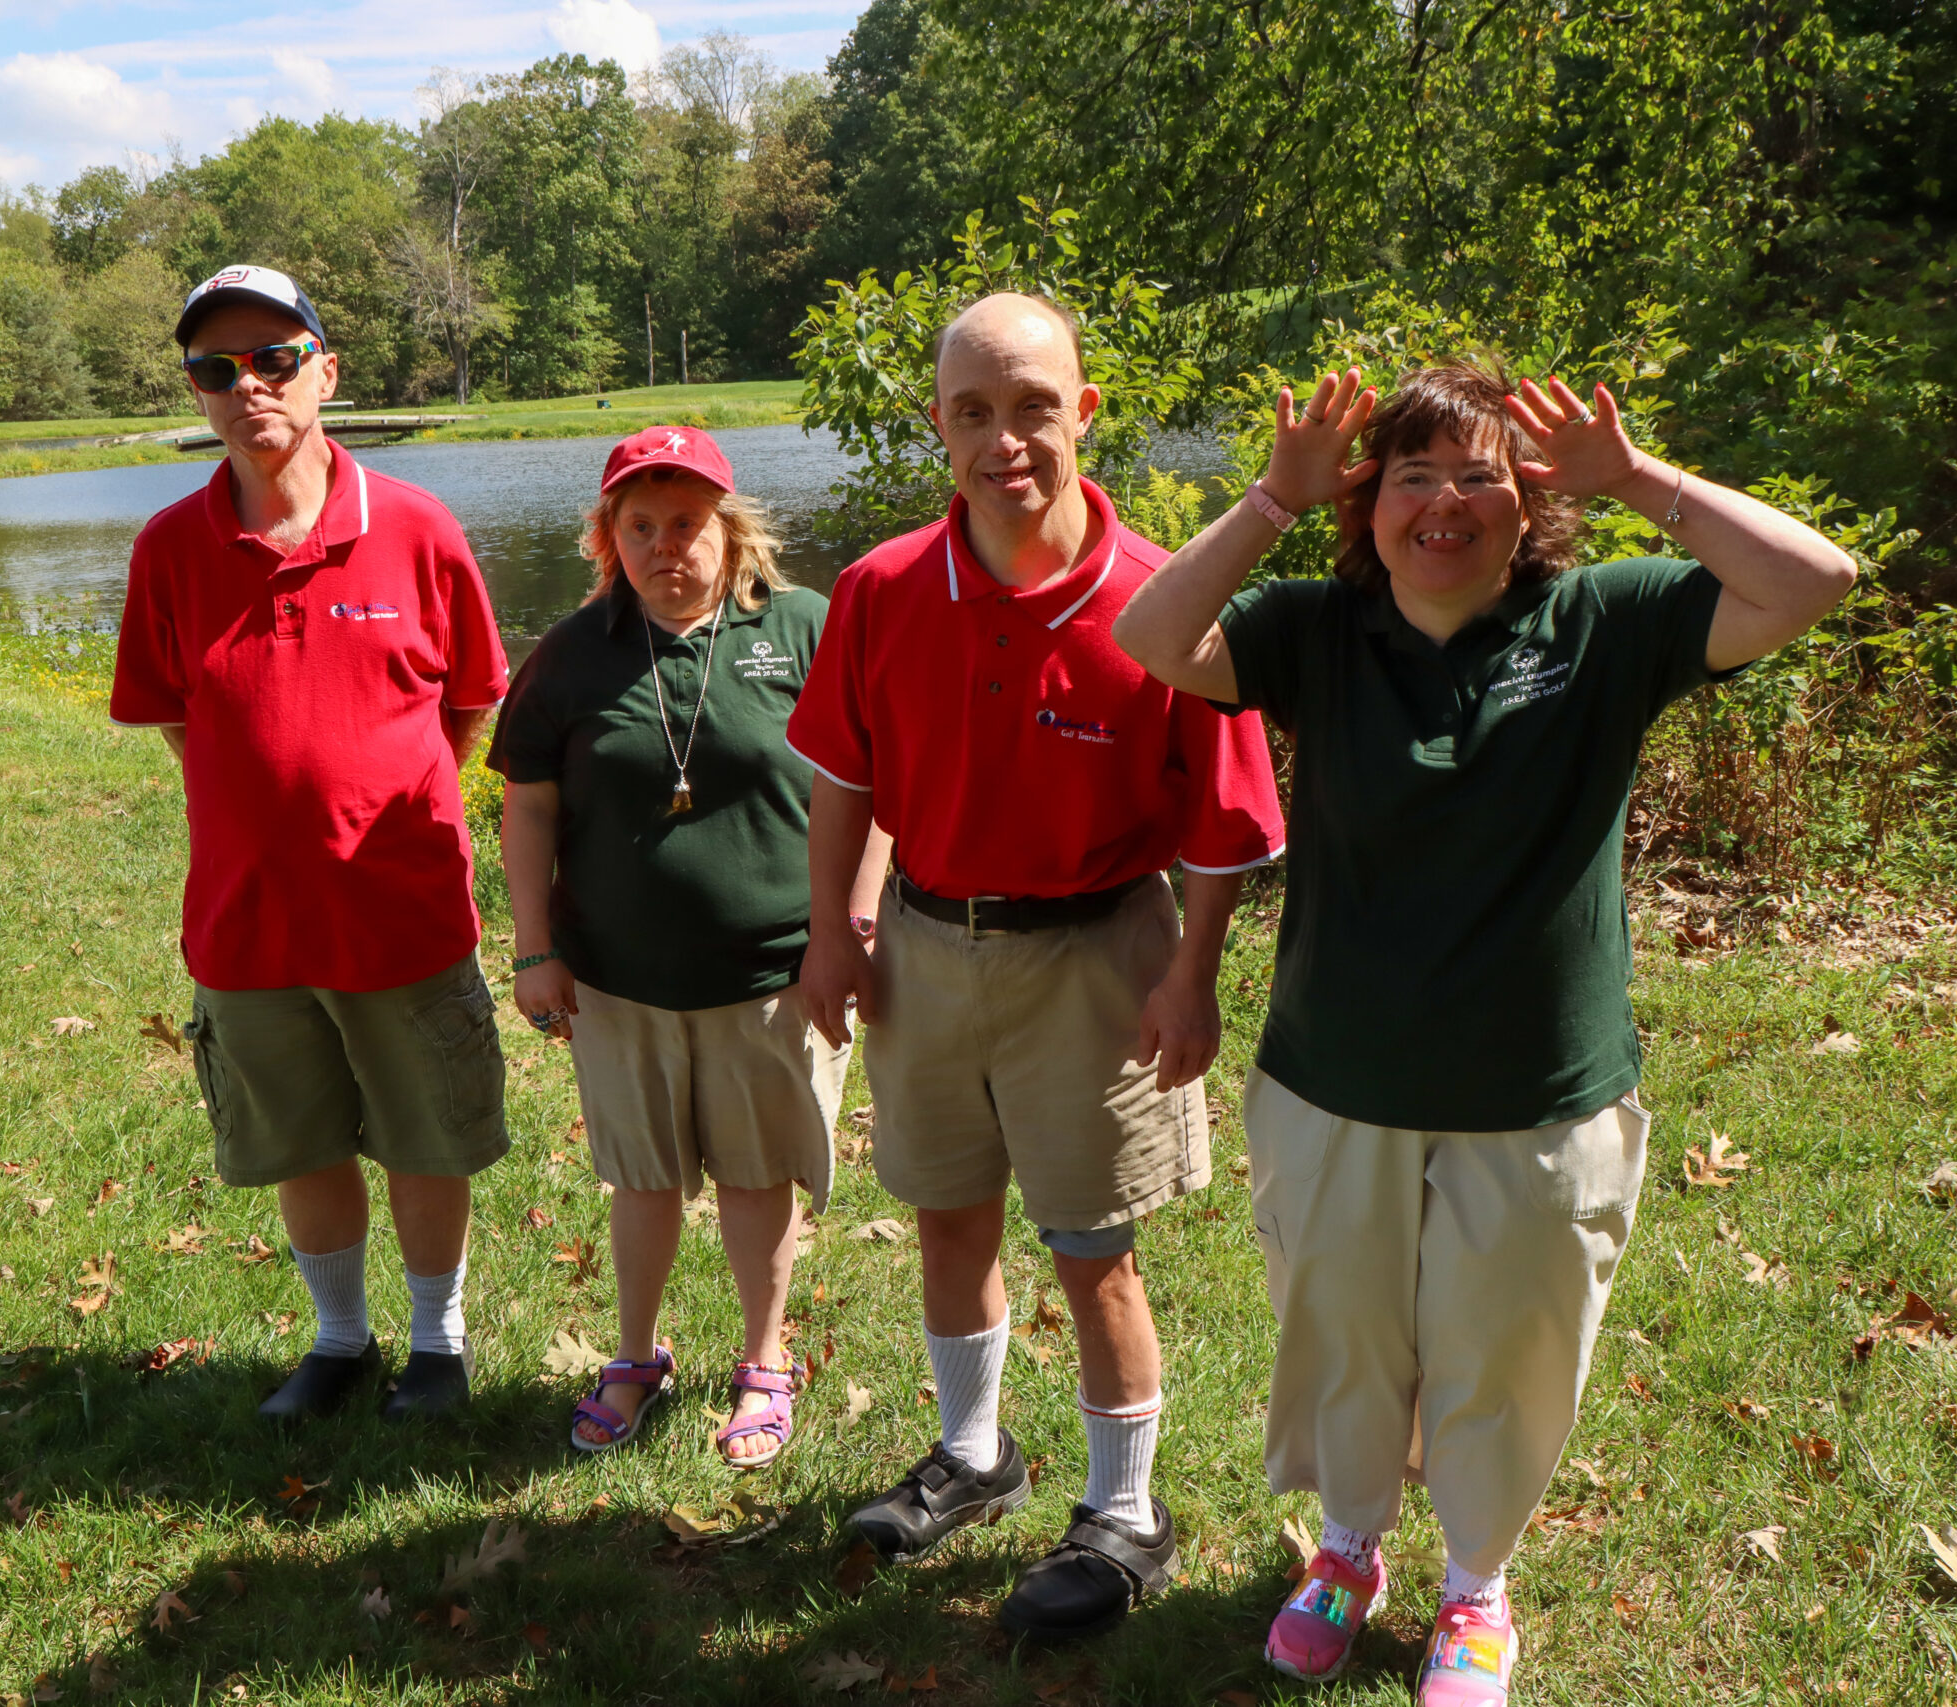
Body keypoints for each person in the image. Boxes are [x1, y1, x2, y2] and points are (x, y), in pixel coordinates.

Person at [1112, 361, 1858, 1703]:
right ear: (1369, 501)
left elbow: (1816, 578)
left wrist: (1639, 481)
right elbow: (1153, 637)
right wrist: (1270, 503)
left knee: (1507, 1342)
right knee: (1341, 1328)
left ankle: (1475, 1582)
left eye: (1479, 474)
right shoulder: (1317, 628)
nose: (1445, 502)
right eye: (1413, 474)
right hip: (1334, 1075)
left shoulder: (1603, 621)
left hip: (1541, 1086)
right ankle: (1346, 1548)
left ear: (1530, 503)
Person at [788, 292, 1285, 1643]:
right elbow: (846, 772)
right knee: (948, 1213)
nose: (1005, 439)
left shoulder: (1163, 600)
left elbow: (1228, 820)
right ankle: (973, 1452)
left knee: (1090, 1244)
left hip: (1098, 955)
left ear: (1086, 413)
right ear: (938, 425)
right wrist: (836, 924)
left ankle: (1126, 1507)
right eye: (972, 411)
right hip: (931, 946)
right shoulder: (884, 588)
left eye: (1032, 407)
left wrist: (1194, 971)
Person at [109, 264, 512, 1422]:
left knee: (425, 1134)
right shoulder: (169, 550)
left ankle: (438, 1344)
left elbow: (471, 701)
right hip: (248, 919)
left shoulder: (419, 530)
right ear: (197, 390)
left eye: (276, 360)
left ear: (326, 371)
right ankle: (341, 1343)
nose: (251, 388)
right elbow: (182, 721)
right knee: (298, 1140)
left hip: (401, 908)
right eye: (218, 369)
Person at [489, 425, 888, 1466]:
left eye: (687, 522)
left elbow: (876, 785)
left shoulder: (803, 628)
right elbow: (526, 808)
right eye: (641, 525)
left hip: (773, 974)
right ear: (607, 537)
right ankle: (634, 1357)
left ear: (730, 528)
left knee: (758, 1176)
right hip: (619, 982)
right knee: (643, 1178)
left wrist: (851, 925)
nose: (668, 545)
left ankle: (764, 1360)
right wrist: (534, 949)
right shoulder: (574, 654)